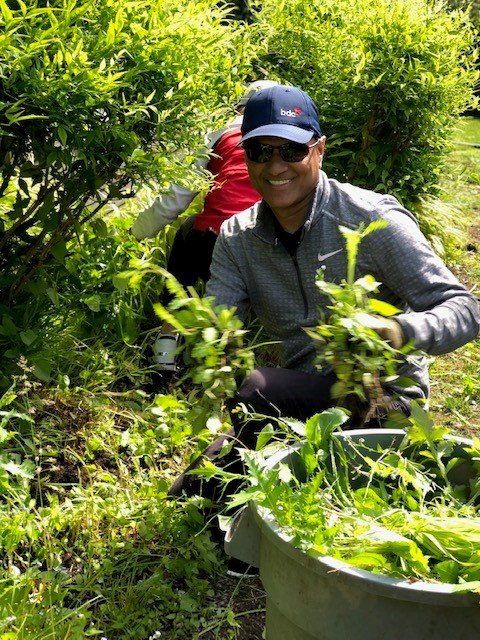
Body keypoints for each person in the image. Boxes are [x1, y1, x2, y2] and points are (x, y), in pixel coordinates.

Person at [168, 84, 480, 505]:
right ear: (246, 157)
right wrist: (213, 341)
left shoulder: (371, 219)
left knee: (256, 391)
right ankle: (285, 469)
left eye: (291, 151)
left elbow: (464, 310)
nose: (275, 165)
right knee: (190, 497)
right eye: (261, 151)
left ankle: (315, 483)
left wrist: (396, 330)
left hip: (379, 401)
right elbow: (220, 315)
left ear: (319, 150)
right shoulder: (237, 237)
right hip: (300, 400)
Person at [131, 80, 278, 372]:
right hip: (264, 244)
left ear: (239, 108)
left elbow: (177, 198)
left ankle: (164, 350)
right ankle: (220, 370)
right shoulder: (285, 142)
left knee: (187, 234)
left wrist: (136, 233)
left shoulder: (222, 133)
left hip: (211, 236)